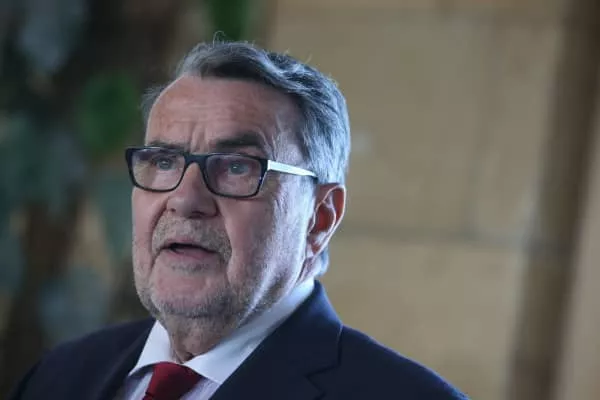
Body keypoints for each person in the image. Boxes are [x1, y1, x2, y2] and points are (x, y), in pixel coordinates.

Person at [9, 41, 468, 400]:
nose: (185, 199)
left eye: (236, 167)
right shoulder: (58, 378)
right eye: (164, 162)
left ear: (319, 218)